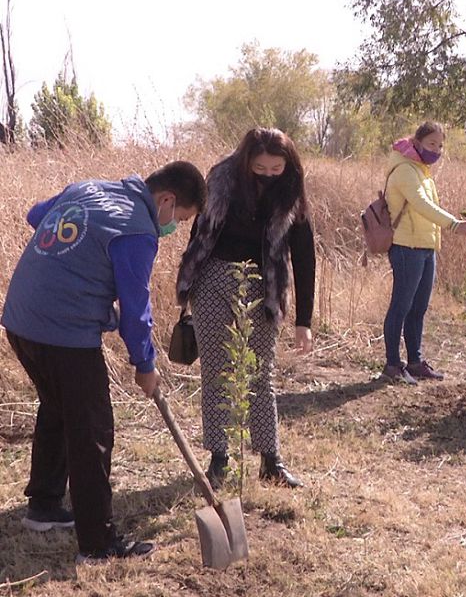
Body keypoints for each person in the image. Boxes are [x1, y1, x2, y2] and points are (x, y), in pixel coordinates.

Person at [1, 161, 206, 563]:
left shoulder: (86, 189)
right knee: (92, 429)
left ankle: (43, 506)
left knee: (58, 407)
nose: (173, 227)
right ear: (166, 200)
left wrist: (78, 278)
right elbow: (136, 311)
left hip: (20, 320)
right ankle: (98, 543)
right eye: (179, 219)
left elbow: (37, 217)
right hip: (62, 331)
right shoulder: (138, 230)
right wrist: (144, 364)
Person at [175, 128, 315, 489]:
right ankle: (219, 459)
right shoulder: (222, 178)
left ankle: (271, 461)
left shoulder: (293, 190)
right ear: (245, 161)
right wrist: (187, 285)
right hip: (212, 281)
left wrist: (304, 321)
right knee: (216, 372)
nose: (268, 175)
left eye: (276, 168)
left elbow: (304, 254)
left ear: (288, 165)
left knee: (260, 373)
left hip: (262, 286)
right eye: (260, 167)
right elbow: (199, 234)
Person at [380, 121, 466, 384]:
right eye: (431, 144)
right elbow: (421, 204)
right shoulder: (404, 169)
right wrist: (454, 225)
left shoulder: (422, 170)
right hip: (406, 247)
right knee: (401, 306)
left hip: (425, 247)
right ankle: (392, 365)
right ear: (417, 141)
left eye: (440, 145)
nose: (436, 150)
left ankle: (414, 362)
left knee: (418, 308)